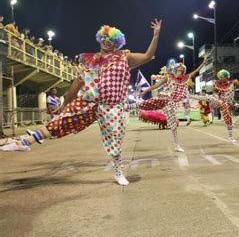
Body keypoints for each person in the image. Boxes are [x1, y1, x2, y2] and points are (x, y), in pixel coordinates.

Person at [6, 21, 162, 186]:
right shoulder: (90, 61)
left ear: (117, 42)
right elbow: (77, 83)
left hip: (112, 106)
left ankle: (118, 171)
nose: (106, 41)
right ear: (99, 39)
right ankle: (23, 143)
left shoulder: (125, 57)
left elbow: (147, 56)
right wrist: (65, 104)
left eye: (110, 39)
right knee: (60, 121)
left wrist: (156, 35)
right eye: (104, 38)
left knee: (115, 138)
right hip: (88, 101)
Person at [140, 55, 208, 152]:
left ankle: (177, 145)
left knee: (173, 125)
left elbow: (196, 71)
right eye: (179, 67)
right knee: (145, 105)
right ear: (176, 69)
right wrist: (145, 91)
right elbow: (157, 85)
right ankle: (137, 107)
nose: (181, 68)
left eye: (182, 68)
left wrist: (204, 62)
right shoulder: (168, 77)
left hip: (171, 103)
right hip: (164, 97)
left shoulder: (185, 78)